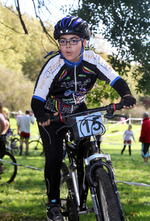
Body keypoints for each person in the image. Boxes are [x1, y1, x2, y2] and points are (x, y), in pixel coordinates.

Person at [31, 16, 136, 221]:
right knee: (54, 157)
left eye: (73, 40)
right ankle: (52, 203)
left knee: (92, 143)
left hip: (79, 109)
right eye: (63, 41)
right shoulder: (54, 64)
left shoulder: (93, 59)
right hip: (52, 113)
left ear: (84, 42)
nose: (67, 46)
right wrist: (42, 115)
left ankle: (94, 176)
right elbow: (37, 98)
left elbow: (115, 78)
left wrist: (126, 95)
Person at [0, 103, 10, 173]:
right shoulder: (3, 115)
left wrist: (0, 132)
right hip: (3, 136)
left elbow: (3, 124)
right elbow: (6, 123)